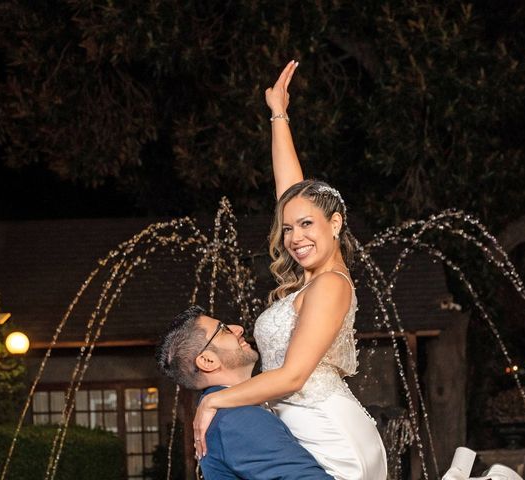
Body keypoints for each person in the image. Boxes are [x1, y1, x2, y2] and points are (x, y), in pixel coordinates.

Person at [193, 61, 388, 479]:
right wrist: (278, 114)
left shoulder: (331, 286)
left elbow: (294, 375)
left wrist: (213, 400)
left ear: (334, 225)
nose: (295, 236)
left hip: (332, 435)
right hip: (303, 432)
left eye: (307, 225)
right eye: (288, 229)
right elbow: (291, 195)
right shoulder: (309, 281)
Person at [156, 305, 334, 480]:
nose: (238, 329)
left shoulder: (225, 415)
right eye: (224, 329)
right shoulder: (238, 420)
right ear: (208, 360)